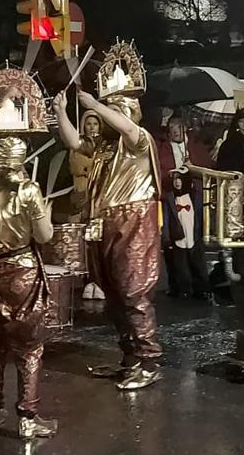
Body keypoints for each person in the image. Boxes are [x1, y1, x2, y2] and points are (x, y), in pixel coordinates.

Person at [53, 84, 163, 391]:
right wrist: (61, 112)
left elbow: (127, 127)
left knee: (133, 291)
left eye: (114, 112)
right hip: (105, 221)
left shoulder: (138, 140)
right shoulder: (105, 146)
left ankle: (149, 362)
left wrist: (95, 105)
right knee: (113, 293)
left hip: (133, 221)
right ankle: (130, 358)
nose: (105, 119)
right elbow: (75, 142)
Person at [0, 136, 57, 438]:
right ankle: (27, 416)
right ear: (22, 158)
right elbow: (44, 236)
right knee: (29, 347)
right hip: (21, 272)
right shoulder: (27, 189)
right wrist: (45, 215)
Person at [156, 116, 213, 300]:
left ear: (185, 128)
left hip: (192, 198)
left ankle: (201, 285)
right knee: (174, 242)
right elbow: (157, 170)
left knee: (194, 241)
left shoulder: (194, 147)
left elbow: (207, 168)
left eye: (179, 127)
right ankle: (179, 285)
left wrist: (192, 165)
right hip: (171, 198)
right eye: (172, 127)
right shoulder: (162, 149)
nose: (175, 130)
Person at [72, 111, 106, 300]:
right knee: (85, 244)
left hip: (99, 200)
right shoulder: (78, 144)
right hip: (83, 200)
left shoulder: (104, 145)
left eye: (95, 123)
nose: (92, 127)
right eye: (88, 123)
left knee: (98, 243)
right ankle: (89, 281)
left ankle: (99, 281)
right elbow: (76, 167)